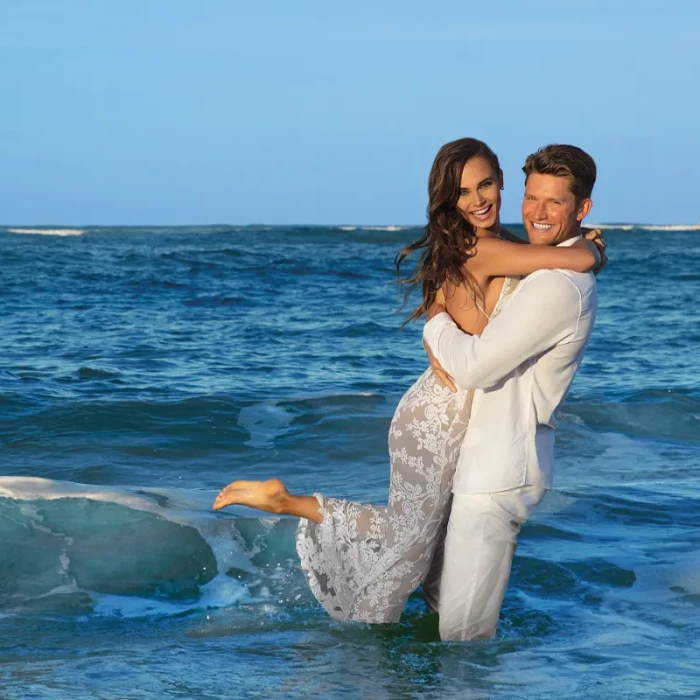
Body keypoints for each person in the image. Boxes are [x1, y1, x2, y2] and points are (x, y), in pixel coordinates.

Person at [213, 138, 602, 628]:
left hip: (459, 415)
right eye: (462, 193)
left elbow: (542, 259)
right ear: (448, 202)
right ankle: (290, 505)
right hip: (438, 415)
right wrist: (588, 243)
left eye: (485, 184)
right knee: (406, 550)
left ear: (502, 180)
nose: (478, 199)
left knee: (418, 545)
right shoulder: (479, 246)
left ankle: (420, 657)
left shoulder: (506, 243)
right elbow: (578, 262)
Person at [421, 143, 600, 641]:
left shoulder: (558, 286)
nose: (537, 213)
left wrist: (434, 321)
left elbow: (476, 368)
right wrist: (592, 248)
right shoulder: (549, 267)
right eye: (531, 198)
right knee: (443, 616)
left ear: (581, 209)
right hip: (479, 461)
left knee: (464, 640)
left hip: (497, 472)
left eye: (555, 202)